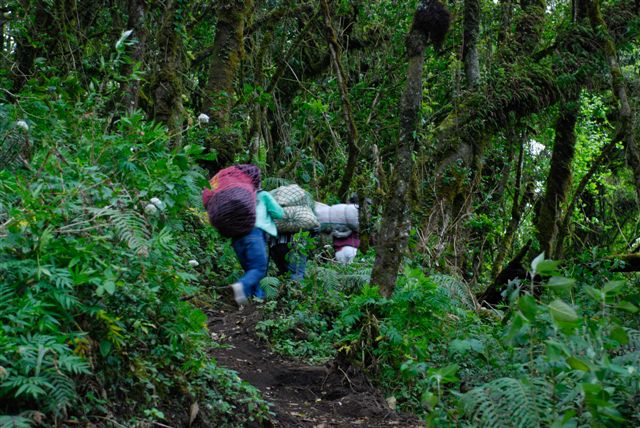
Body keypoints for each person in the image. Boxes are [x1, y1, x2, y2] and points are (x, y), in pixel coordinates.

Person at [229, 183, 284, 306]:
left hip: (236, 237)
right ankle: (242, 287)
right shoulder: (263, 195)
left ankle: (252, 299)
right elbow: (279, 213)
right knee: (259, 268)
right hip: (254, 234)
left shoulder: (236, 197)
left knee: (251, 270)